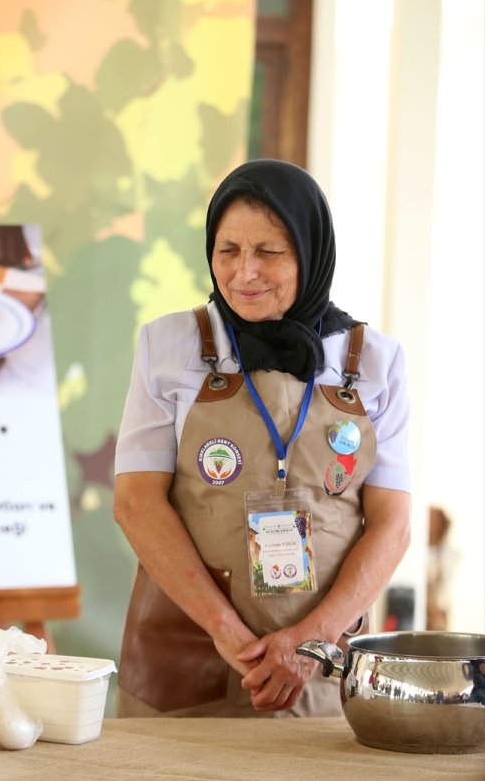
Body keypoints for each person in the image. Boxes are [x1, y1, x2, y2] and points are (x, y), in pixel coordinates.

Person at [113, 159, 411, 718]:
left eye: (269, 252)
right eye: (227, 251)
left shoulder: (373, 361)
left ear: (310, 249)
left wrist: (312, 640)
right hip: (187, 650)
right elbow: (136, 504)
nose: (244, 272)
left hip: (321, 663)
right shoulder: (169, 347)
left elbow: (392, 524)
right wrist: (226, 632)